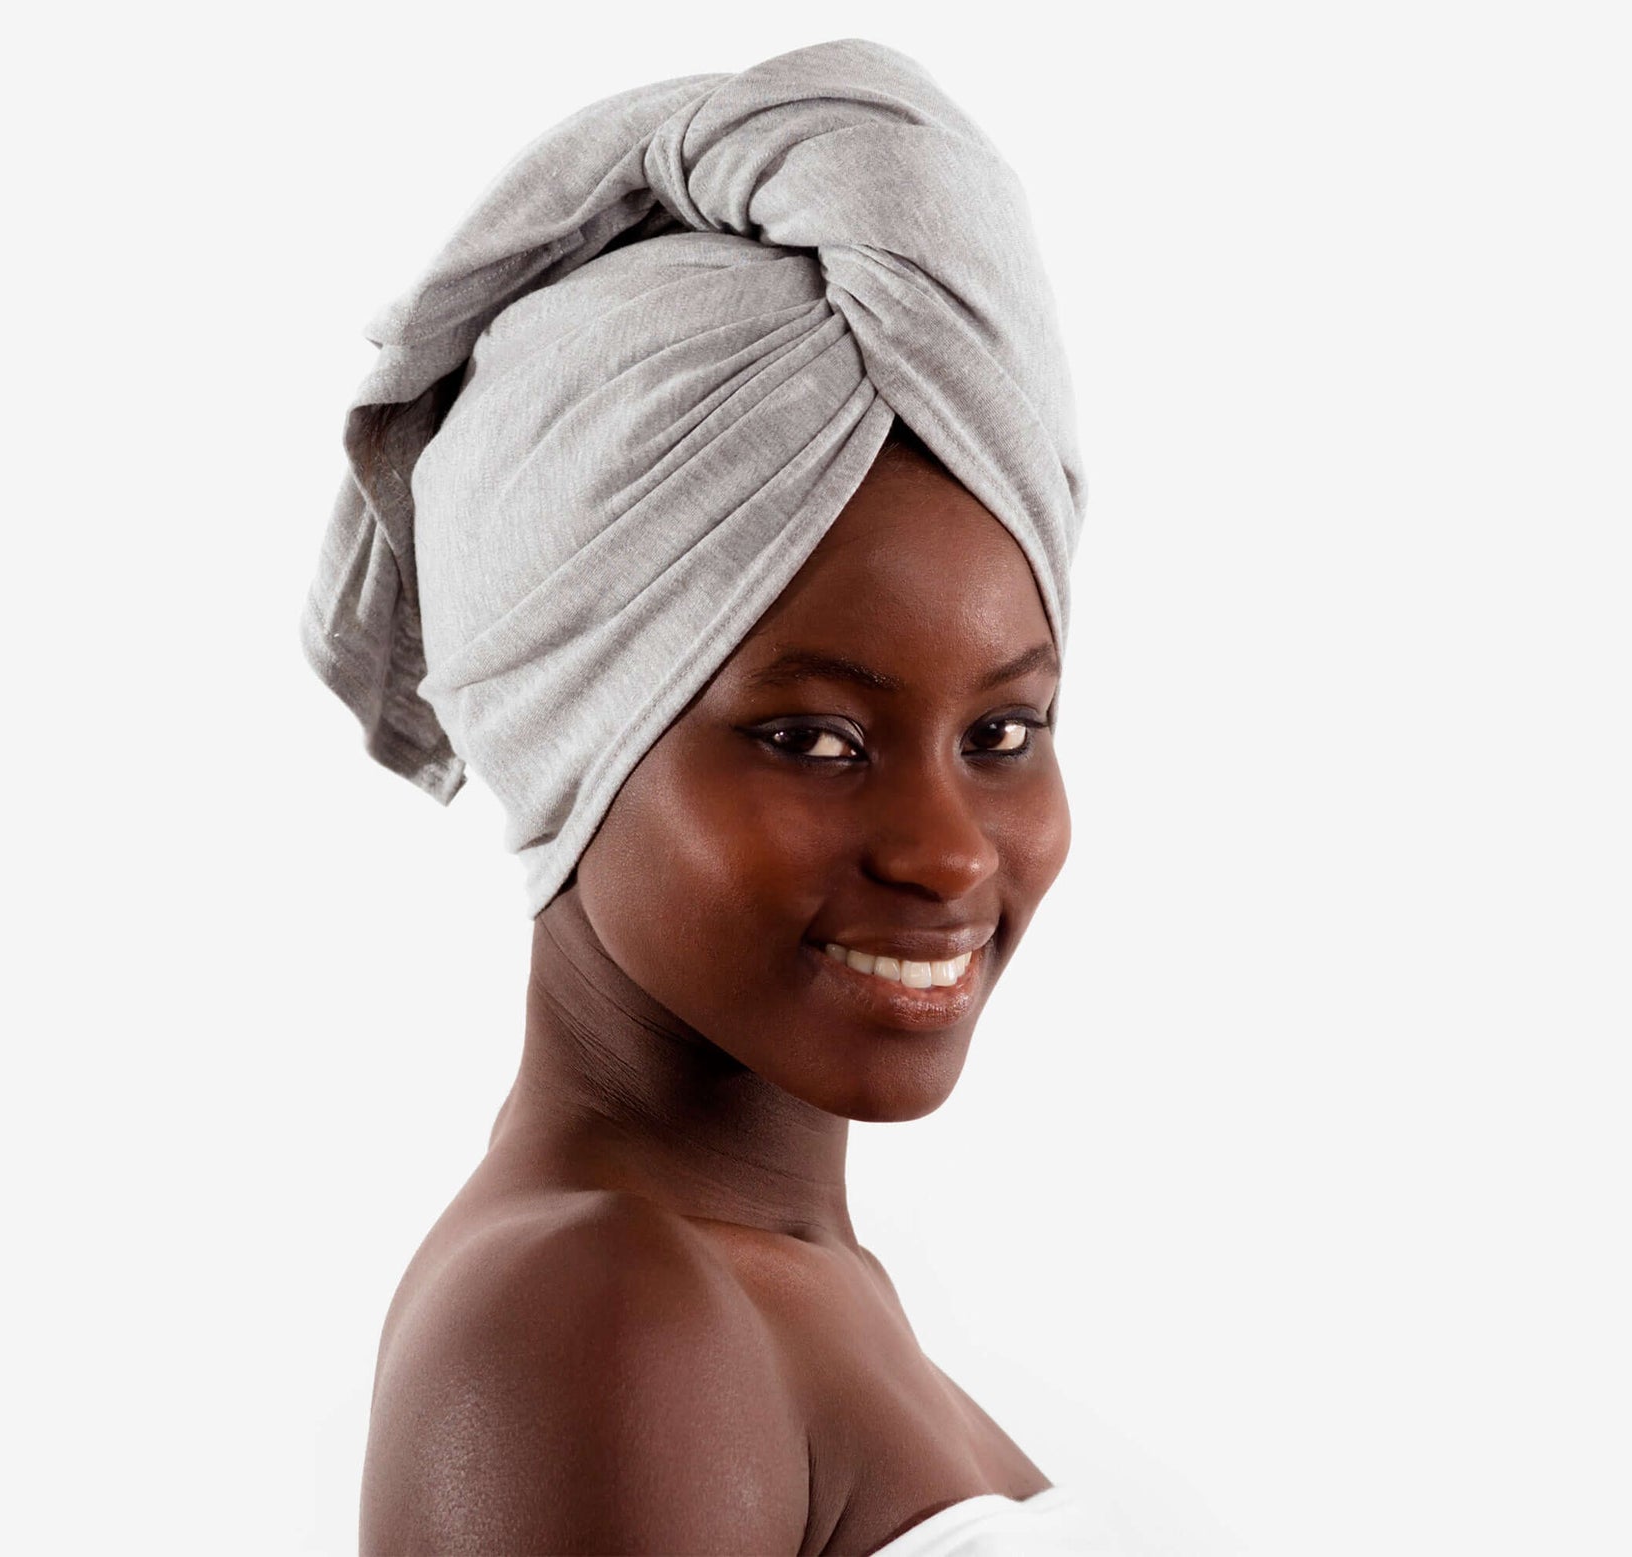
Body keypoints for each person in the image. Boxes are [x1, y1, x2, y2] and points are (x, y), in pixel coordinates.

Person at [305, 37, 1134, 1555]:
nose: (946, 847)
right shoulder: (605, 1310)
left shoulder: (776, 1284)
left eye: (1004, 732)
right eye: (813, 737)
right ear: (572, 727)